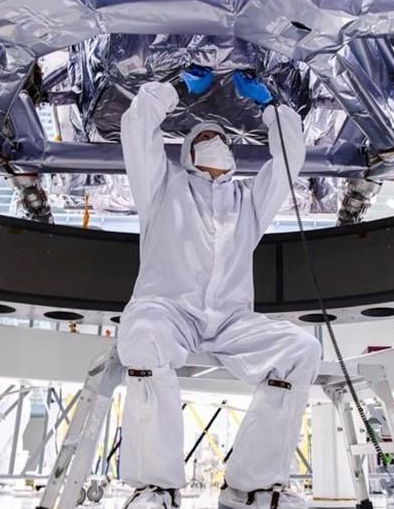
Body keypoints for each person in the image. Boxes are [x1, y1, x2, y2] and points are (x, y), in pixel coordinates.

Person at [117, 80, 322, 509]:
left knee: (301, 349)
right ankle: (155, 488)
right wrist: (175, 87)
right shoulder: (161, 186)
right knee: (144, 332)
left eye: (222, 138)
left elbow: (289, 160)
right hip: (169, 310)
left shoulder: (248, 201)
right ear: (187, 151)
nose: (216, 142)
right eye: (205, 137)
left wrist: (272, 107)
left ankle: (250, 488)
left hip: (232, 320)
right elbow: (137, 127)